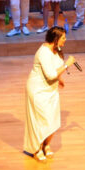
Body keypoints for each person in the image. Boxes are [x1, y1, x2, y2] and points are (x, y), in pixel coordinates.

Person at [23, 26, 76, 162]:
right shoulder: (43, 53)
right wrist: (67, 65)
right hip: (38, 90)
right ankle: (37, 149)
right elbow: (51, 74)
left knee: (52, 119)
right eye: (63, 38)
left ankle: (46, 145)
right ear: (56, 38)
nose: (65, 40)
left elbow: (54, 70)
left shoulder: (55, 50)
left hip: (51, 90)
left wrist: (60, 79)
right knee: (41, 120)